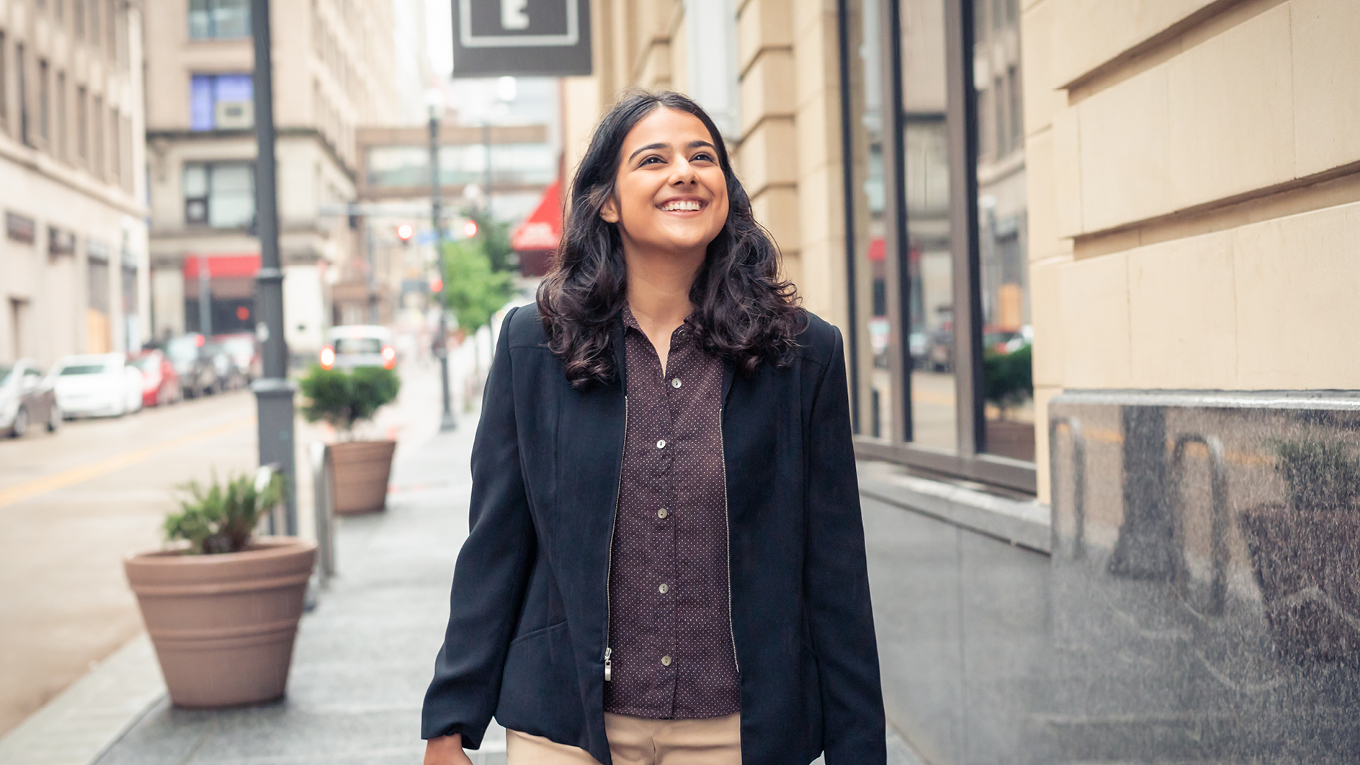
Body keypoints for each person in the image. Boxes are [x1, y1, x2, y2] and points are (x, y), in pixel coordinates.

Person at [422, 90, 884, 765]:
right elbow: (497, 543)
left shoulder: (802, 354)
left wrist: (858, 748)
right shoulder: (534, 346)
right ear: (606, 200)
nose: (685, 172)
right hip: (566, 729)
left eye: (703, 157)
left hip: (735, 734)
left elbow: (836, 571)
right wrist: (450, 721)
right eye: (653, 159)